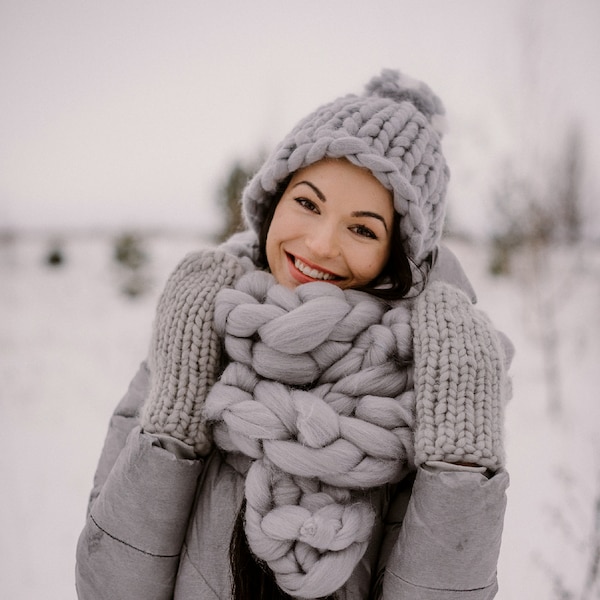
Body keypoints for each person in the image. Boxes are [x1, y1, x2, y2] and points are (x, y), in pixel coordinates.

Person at [76, 68, 514, 599]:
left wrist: (459, 466)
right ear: (273, 202)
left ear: (397, 256)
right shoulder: (197, 342)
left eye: (362, 228)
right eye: (307, 203)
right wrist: (176, 416)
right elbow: (109, 587)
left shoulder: (427, 385)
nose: (321, 244)